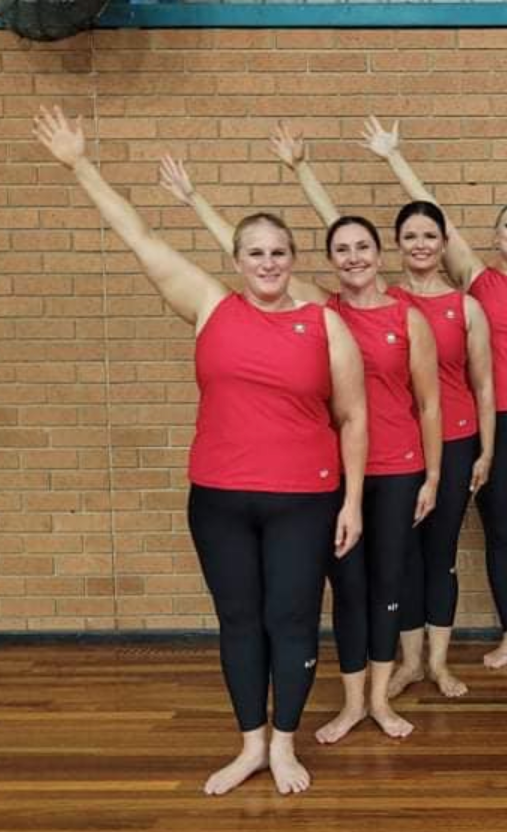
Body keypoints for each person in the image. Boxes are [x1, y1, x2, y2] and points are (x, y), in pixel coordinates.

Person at [34, 106, 368, 795]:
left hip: (305, 500)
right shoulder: (210, 306)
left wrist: (353, 503)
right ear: (237, 261)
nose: (268, 263)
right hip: (219, 499)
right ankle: (250, 745)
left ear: (293, 261)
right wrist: (80, 165)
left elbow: (354, 417)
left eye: (279, 253)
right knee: (239, 621)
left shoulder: (324, 324)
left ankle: (284, 744)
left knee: (291, 620)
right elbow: (140, 236)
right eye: (256, 253)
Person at [158, 160, 442, 741]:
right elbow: (256, 258)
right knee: (345, 591)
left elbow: (430, 403)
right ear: (330, 261)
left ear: (380, 254)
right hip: (333, 474)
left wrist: (434, 477)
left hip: (397, 468)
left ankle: (380, 701)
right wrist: (195, 200)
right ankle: (352, 702)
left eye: (363, 247)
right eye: (342, 250)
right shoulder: (321, 308)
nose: (354, 257)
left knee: (387, 585)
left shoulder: (407, 318)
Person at [263, 127, 495, 701]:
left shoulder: (463, 303)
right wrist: (301, 169)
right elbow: (340, 233)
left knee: (438, 557)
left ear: (444, 243)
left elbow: (476, 386)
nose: (421, 244)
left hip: (447, 443)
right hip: (388, 448)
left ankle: (437, 664)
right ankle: (408, 662)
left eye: (430, 236)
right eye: (409, 236)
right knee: (400, 562)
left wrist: (477, 454)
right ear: (395, 247)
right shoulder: (386, 296)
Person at [364, 118, 507, 669]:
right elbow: (434, 219)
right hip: (495, 429)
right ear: (495, 235)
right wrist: (394, 157)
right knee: (501, 534)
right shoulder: (478, 281)